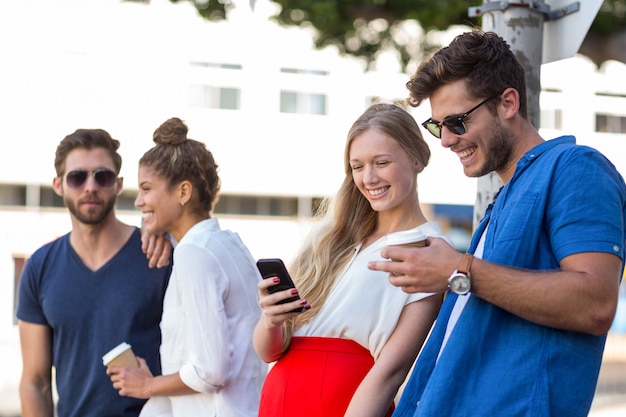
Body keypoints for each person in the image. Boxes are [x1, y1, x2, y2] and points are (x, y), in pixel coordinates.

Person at [369, 30, 626, 417]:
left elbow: (595, 304)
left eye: (457, 122)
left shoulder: (576, 168)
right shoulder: (502, 198)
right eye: (438, 126)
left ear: (508, 102)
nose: (446, 141)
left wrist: (457, 268)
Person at [254, 103, 447, 417]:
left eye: (381, 162)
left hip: (347, 406)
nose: (369, 178)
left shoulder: (430, 250)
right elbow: (268, 352)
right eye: (357, 166)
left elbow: (391, 371)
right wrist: (270, 320)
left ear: (416, 158)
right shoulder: (328, 240)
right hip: (277, 403)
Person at [106, 117, 266, 417]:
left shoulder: (194, 254)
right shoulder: (228, 243)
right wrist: (159, 229)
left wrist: (148, 385)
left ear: (182, 192)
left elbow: (211, 371)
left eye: (146, 188)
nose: (139, 201)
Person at [17, 128, 172, 417]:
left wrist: (168, 231)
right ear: (59, 184)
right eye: (77, 177)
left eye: (103, 176)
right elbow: (34, 382)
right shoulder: (39, 267)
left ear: (119, 184)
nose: (90, 187)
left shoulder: (158, 254)